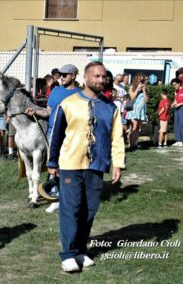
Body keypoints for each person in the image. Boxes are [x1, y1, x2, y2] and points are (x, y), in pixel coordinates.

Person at [47, 61, 125, 272]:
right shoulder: (68, 103)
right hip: (70, 164)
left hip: (97, 165)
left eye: (104, 77)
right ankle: (68, 254)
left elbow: (116, 136)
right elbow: (55, 133)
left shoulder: (110, 108)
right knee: (70, 209)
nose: (102, 80)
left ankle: (81, 249)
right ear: (86, 78)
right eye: (97, 76)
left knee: (89, 210)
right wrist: (52, 161)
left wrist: (118, 162)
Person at [25, 64, 81, 213]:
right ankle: (54, 196)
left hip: (72, 134)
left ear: (73, 76)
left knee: (69, 165)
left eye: (65, 75)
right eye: (60, 74)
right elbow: (48, 112)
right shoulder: (56, 91)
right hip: (53, 133)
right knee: (54, 164)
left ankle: (68, 196)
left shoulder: (80, 94)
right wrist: (35, 112)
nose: (61, 77)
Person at [125, 73, 149, 148]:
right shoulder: (132, 87)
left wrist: (144, 91)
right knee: (134, 127)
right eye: (139, 79)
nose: (141, 81)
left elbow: (146, 100)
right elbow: (132, 97)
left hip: (141, 111)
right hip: (134, 110)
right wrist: (137, 89)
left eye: (142, 80)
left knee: (138, 128)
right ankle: (131, 144)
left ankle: (135, 143)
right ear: (136, 79)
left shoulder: (145, 87)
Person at [171, 78, 183, 146]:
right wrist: (173, 104)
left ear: (179, 83)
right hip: (177, 109)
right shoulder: (176, 92)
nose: (174, 86)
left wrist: (180, 104)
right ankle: (178, 140)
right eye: (173, 85)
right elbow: (176, 101)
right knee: (177, 124)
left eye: (175, 84)